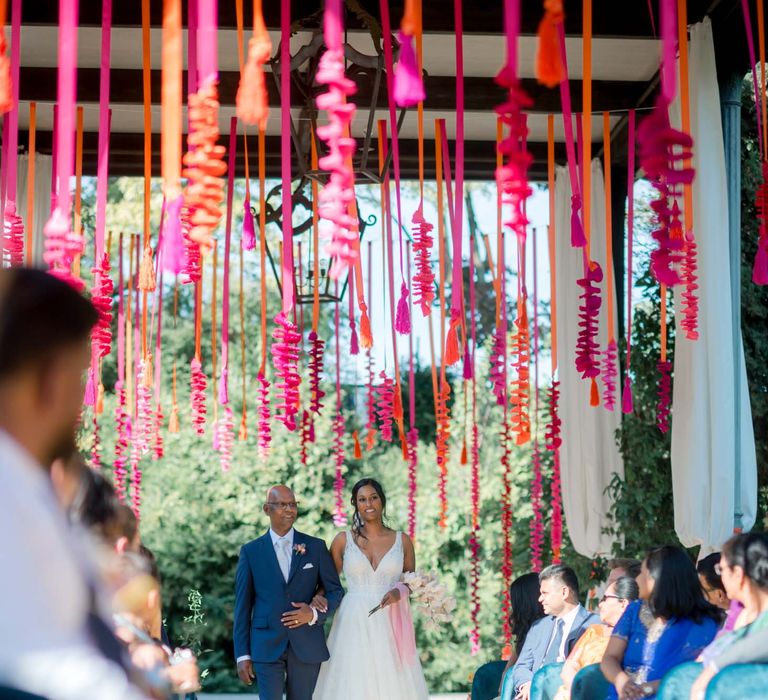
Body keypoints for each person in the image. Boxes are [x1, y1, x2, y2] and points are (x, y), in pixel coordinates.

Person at [0, 267, 149, 700]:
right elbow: (36, 658)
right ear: (50, 379)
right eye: (77, 376)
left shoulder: (25, 485)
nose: (78, 402)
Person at [312, 478, 430, 699]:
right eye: (362, 499)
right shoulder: (342, 540)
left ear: (382, 501)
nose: (369, 504)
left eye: (374, 497)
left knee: (392, 677)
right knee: (353, 676)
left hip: (389, 618)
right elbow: (328, 582)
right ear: (355, 504)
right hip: (353, 618)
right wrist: (316, 599)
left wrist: (399, 592)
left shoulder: (402, 540)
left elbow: (410, 582)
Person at [233, 484, 344, 700]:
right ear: (267, 509)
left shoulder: (315, 547)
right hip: (266, 644)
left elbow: (335, 591)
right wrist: (242, 655)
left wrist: (313, 614)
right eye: (282, 504)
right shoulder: (251, 552)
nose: (289, 509)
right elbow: (242, 608)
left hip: (306, 644)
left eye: (293, 504)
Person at [601, 545, 720, 699]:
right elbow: (610, 657)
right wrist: (622, 681)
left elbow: (693, 674)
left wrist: (648, 688)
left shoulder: (702, 623)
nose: (637, 579)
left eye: (642, 574)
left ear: (656, 580)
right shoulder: (635, 610)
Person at [690, 533, 768, 699]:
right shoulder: (743, 613)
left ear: (738, 574)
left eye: (721, 569)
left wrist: (714, 667)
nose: (721, 576)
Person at [508, 564, 599, 699]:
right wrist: (528, 684)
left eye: (545, 593)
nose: (540, 599)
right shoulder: (538, 627)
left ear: (564, 592)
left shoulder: (594, 625)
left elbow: (591, 671)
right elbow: (521, 666)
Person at [554, 576, 639, 700]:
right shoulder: (594, 630)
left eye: (605, 598)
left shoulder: (636, 638)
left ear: (623, 604)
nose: (600, 604)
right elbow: (569, 666)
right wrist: (577, 691)